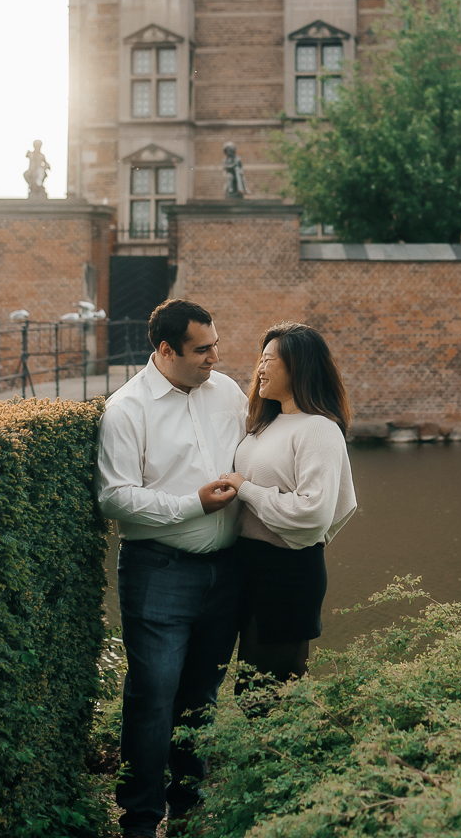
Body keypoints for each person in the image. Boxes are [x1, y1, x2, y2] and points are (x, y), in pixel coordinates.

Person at [96, 299, 246, 838]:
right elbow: (114, 497)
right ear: (166, 350)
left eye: (215, 344)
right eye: (202, 349)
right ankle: (139, 818)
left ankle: (190, 808)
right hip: (158, 571)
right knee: (153, 695)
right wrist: (192, 505)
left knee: (201, 696)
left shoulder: (227, 391)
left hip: (226, 573)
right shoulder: (127, 408)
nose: (215, 357)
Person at [219, 321, 357, 688]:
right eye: (260, 360)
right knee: (251, 686)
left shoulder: (318, 429)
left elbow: (314, 513)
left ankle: (282, 748)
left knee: (264, 694)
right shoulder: (267, 422)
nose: (260, 369)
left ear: (298, 367)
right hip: (245, 566)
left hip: (286, 573)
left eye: (269, 360)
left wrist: (246, 489)